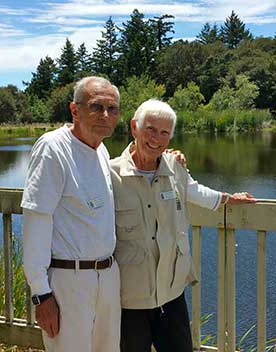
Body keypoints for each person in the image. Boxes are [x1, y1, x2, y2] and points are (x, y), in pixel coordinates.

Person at [109, 99, 256, 352]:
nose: (157, 138)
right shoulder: (109, 173)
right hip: (128, 299)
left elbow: (194, 191)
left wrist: (229, 199)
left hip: (171, 292)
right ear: (134, 127)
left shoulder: (175, 167)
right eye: (150, 129)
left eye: (164, 132)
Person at [21, 76, 122, 352]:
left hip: (107, 276)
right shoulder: (53, 148)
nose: (105, 115)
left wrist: (167, 157)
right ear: (74, 110)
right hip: (69, 280)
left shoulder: (100, 149)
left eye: (112, 109)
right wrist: (41, 294)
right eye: (96, 106)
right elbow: (36, 220)